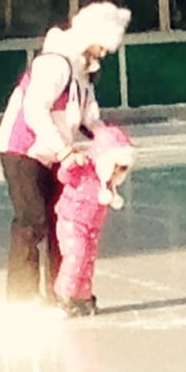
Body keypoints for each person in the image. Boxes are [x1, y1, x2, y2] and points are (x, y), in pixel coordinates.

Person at [0, 1, 132, 303]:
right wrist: (65, 150)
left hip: (55, 153)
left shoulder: (84, 71)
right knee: (33, 220)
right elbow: (34, 111)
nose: (106, 53)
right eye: (103, 45)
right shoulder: (55, 64)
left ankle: (63, 292)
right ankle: (22, 298)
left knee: (62, 221)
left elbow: (88, 119)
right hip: (23, 150)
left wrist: (113, 144)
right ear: (90, 37)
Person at [52, 122, 136, 317]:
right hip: (71, 221)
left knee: (88, 259)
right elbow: (64, 176)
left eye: (123, 170)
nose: (117, 173)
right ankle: (64, 293)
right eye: (116, 166)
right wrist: (72, 162)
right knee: (77, 255)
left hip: (91, 226)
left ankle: (82, 295)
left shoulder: (106, 181)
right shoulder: (86, 167)